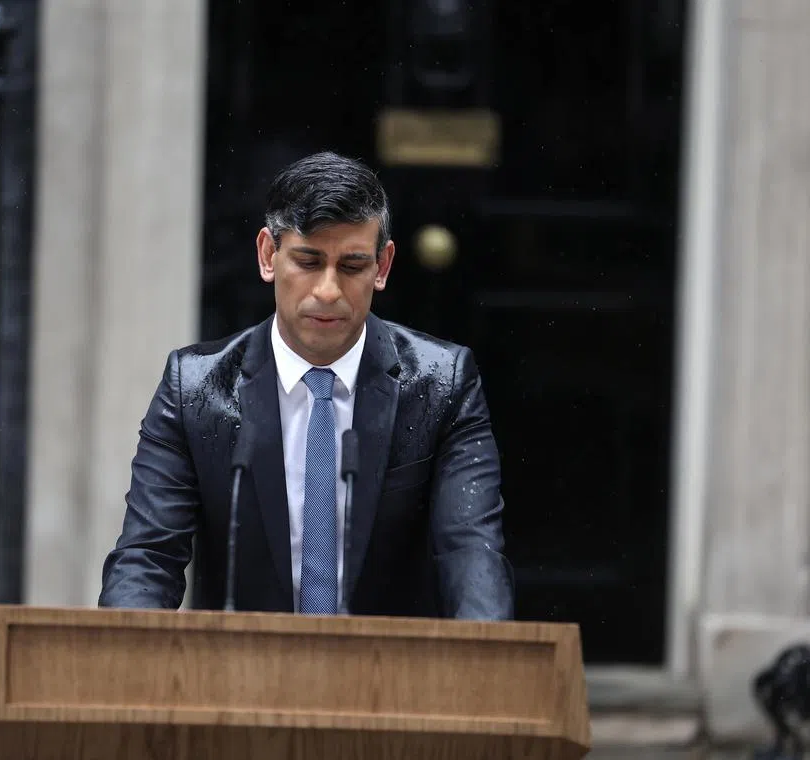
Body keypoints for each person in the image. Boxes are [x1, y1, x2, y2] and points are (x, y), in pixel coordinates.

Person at [99, 151, 515, 619]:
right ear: (268, 255)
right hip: (242, 662)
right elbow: (148, 556)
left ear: (382, 266)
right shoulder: (195, 389)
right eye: (308, 261)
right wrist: (126, 651)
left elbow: (471, 554)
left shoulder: (443, 385)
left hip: (389, 662)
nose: (328, 291)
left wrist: (485, 655)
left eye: (352, 266)